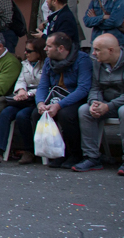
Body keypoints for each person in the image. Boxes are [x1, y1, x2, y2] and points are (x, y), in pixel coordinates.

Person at [73, 34, 124, 172]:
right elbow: (95, 87)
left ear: (111, 50)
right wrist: (94, 102)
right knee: (84, 110)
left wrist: (109, 106)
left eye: (98, 50)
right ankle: (91, 157)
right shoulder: (97, 62)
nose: (93, 53)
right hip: (105, 102)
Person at [35, 32, 93, 168]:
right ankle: (55, 152)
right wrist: (41, 103)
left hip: (75, 98)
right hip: (56, 97)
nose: (45, 49)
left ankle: (74, 154)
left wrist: (59, 105)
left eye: (48, 46)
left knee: (66, 115)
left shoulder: (82, 60)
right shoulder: (49, 62)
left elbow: (83, 89)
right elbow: (43, 85)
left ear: (60, 48)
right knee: (36, 113)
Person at [0, 37, 46, 165]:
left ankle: (29, 150)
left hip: (36, 99)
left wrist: (28, 93)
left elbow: (45, 85)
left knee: (22, 116)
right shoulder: (25, 64)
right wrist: (20, 90)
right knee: (6, 113)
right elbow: (21, 80)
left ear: (39, 52)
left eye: (29, 51)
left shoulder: (46, 65)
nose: (25, 53)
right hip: (23, 98)